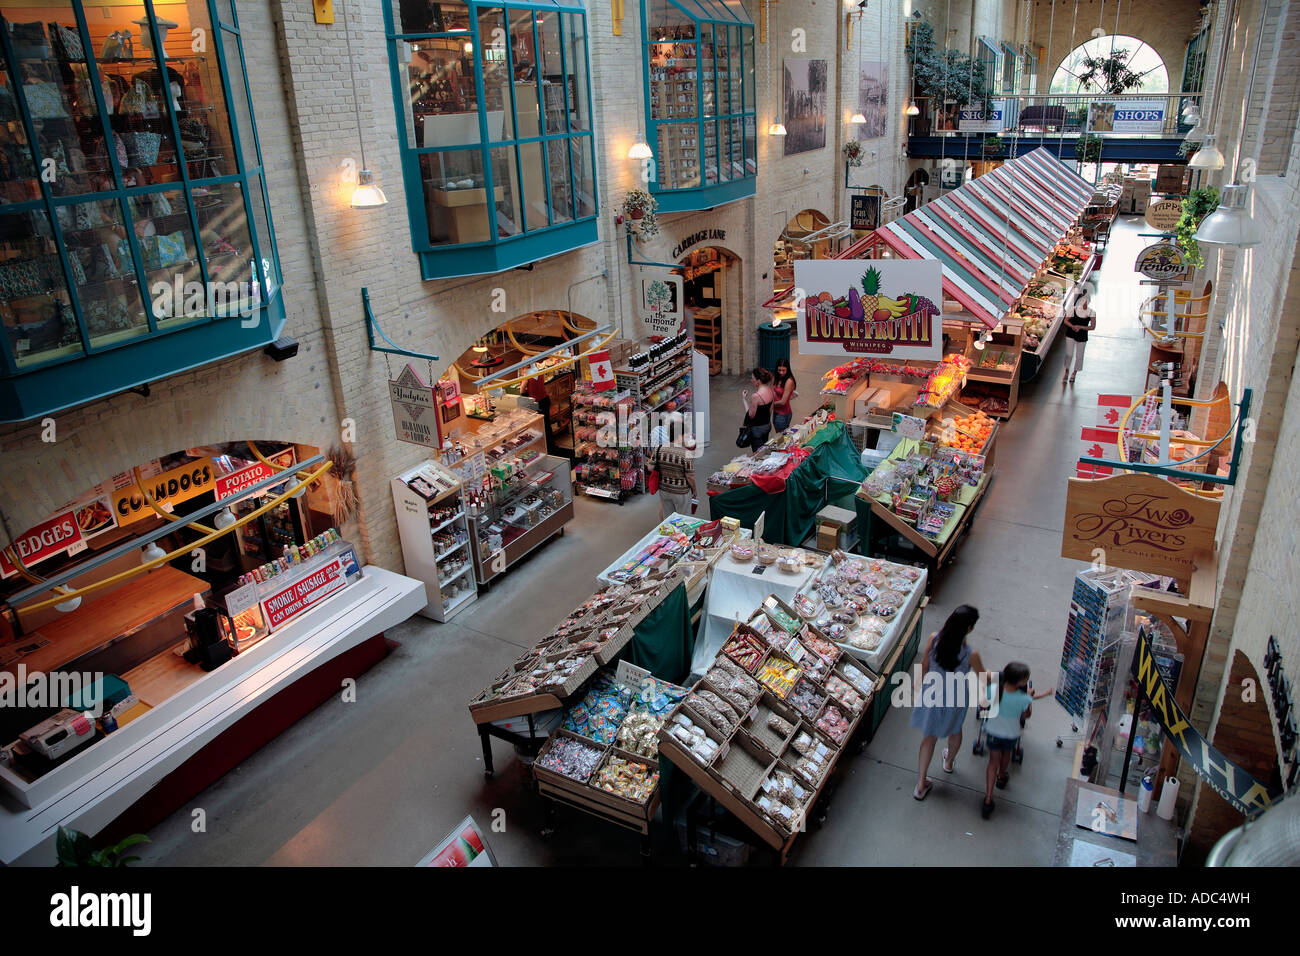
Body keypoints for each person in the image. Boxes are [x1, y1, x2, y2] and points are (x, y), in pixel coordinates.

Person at [910, 605, 984, 801]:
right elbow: (984, 677)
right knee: (956, 730)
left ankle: (920, 784)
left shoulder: (934, 639)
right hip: (956, 699)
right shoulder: (970, 653)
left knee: (929, 737)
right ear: (968, 628)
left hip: (933, 695)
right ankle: (949, 762)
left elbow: (924, 666)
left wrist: (920, 688)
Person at [979, 662, 1046, 819]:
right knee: (1006, 754)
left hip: (993, 731)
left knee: (992, 761)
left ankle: (988, 798)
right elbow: (1026, 716)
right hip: (1011, 734)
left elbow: (983, 706)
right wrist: (1029, 697)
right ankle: (1001, 776)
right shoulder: (1024, 698)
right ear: (1020, 683)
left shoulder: (994, 690)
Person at [649, 413, 697, 519]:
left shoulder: (659, 449)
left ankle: (669, 535)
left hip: (664, 490)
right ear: (679, 435)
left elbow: (650, 467)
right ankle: (681, 536)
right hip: (681, 492)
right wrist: (694, 490)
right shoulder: (685, 453)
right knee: (683, 520)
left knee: (668, 519)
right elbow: (690, 476)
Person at [1062, 292, 1095, 385]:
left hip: (1082, 336)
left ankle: (1074, 373)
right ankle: (1067, 371)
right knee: (1069, 354)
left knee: (1079, 356)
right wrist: (1072, 326)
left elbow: (1092, 327)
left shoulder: (1092, 313)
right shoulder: (1073, 309)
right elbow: (1066, 321)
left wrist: (1081, 327)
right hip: (1070, 333)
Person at [741, 367, 775, 451]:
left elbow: (751, 416)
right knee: (764, 449)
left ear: (758, 381)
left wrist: (744, 399)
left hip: (757, 430)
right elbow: (770, 410)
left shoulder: (756, 396)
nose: (751, 380)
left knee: (758, 453)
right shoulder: (771, 390)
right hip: (767, 425)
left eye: (753, 378)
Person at [771, 357, 797, 433]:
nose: (781, 372)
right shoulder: (778, 377)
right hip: (776, 411)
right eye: (779, 370)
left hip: (783, 414)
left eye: (783, 370)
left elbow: (783, 402)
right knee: (779, 435)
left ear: (787, 369)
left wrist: (770, 404)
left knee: (781, 437)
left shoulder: (789, 381)